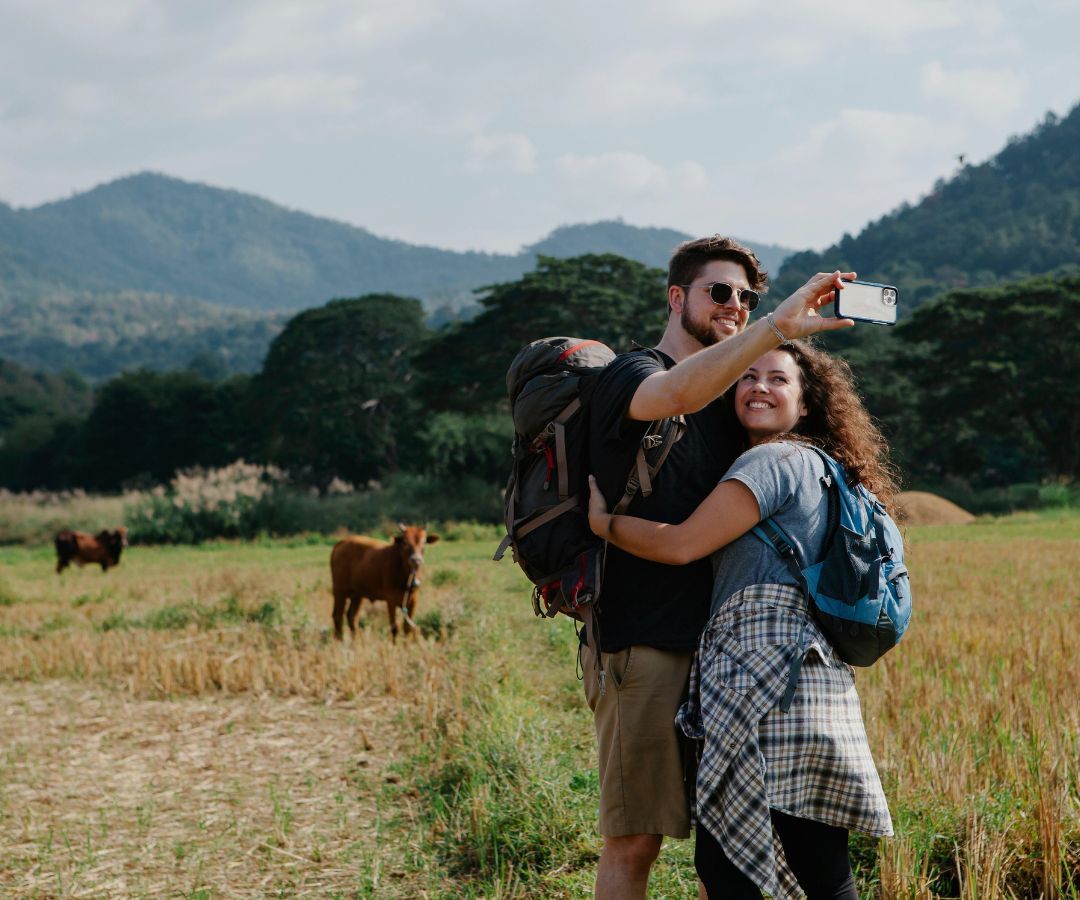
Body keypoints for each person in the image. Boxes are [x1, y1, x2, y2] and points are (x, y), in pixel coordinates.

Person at [583, 234, 855, 899]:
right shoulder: (634, 374)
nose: (736, 305)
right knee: (636, 837)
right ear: (678, 298)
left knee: (729, 841)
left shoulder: (731, 404)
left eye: (748, 297)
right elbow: (671, 394)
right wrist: (773, 329)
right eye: (720, 292)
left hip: (722, 660)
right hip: (643, 640)